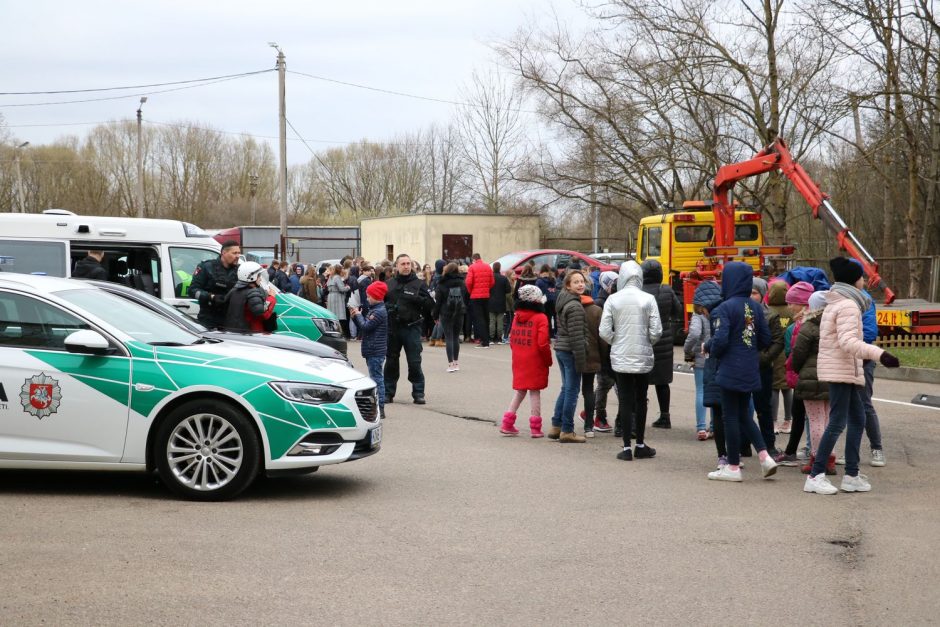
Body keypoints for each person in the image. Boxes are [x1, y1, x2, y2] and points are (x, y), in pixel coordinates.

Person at [804, 257, 900, 495]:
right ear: (853, 280)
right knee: (838, 422)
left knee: (857, 419)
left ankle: (852, 475)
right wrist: (880, 354)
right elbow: (848, 342)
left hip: (845, 370)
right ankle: (816, 475)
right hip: (842, 371)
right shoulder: (847, 305)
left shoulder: (836, 301)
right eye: (861, 276)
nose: (864, 280)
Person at [705, 261, 778, 482]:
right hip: (750, 367)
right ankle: (765, 456)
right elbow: (766, 338)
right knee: (745, 415)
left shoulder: (725, 307)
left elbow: (720, 340)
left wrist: (708, 348)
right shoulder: (755, 307)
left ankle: (733, 466)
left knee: (730, 417)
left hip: (730, 368)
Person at [599, 260, 662, 460]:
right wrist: (647, 341)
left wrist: (616, 341)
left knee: (625, 400)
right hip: (643, 356)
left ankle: (626, 447)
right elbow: (657, 331)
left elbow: (604, 331)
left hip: (620, 355)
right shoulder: (648, 299)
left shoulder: (613, 300)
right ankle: (640, 444)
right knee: (641, 399)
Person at [790, 288, 836, 475]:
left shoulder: (809, 326)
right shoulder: (835, 324)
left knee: (816, 420)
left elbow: (798, 353)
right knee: (829, 420)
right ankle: (831, 458)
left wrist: (796, 368)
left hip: (812, 376)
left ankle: (817, 459)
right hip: (833, 376)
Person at [500, 284, 552, 437]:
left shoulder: (517, 316)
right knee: (535, 392)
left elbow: (512, 338)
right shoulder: (540, 318)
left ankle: (507, 422)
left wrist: (517, 352)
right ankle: (535, 427)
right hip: (535, 359)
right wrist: (548, 360)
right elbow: (543, 343)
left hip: (520, 358)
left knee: (520, 390)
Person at [384, 254, 434, 404]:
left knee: (414, 361)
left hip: (412, 328)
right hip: (393, 328)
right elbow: (379, 303)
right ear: (396, 267)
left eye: (408, 263)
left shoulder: (419, 284)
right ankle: (388, 392)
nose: (406, 266)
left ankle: (418, 392)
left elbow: (430, 306)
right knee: (391, 361)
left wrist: (415, 298)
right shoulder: (389, 284)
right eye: (403, 264)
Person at [547, 270, 589, 443]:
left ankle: (556, 426)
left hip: (561, 348)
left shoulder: (564, 299)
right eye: (576, 282)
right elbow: (577, 337)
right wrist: (581, 361)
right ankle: (567, 430)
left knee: (566, 389)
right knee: (572, 391)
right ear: (567, 285)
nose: (580, 284)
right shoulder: (575, 306)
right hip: (570, 350)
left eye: (582, 281)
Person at [642, 260, 682, 430]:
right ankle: (665, 416)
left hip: (644, 340)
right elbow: (677, 310)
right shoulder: (666, 290)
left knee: (641, 381)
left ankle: (639, 415)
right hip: (664, 340)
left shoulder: (639, 291)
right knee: (662, 382)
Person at [750, 277, 784, 457]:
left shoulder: (771, 315)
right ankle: (743, 444)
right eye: (748, 292)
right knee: (742, 408)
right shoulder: (742, 312)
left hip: (763, 368)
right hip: (744, 367)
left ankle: (768, 444)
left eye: (755, 293)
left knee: (763, 408)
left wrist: (763, 358)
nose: (751, 296)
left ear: (762, 295)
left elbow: (778, 342)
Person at [350, 281, 389, 420]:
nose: (367, 299)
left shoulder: (378, 312)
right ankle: (379, 406)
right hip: (373, 350)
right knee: (376, 378)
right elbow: (363, 327)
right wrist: (355, 317)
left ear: (376, 296)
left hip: (375, 351)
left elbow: (366, 327)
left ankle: (380, 407)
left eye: (369, 296)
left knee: (377, 380)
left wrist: (358, 316)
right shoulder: (376, 310)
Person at [588, 270, 619, 434]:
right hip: (604, 350)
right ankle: (598, 416)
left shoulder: (610, 299)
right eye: (614, 283)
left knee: (608, 384)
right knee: (605, 383)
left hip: (612, 349)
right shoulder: (600, 303)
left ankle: (590, 411)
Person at [684, 284, 714, 441]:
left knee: (701, 391)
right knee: (716, 391)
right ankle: (715, 426)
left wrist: (688, 350)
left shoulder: (698, 315)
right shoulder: (718, 311)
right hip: (716, 357)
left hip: (701, 357)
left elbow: (694, 333)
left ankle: (701, 428)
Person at [189, 240, 241, 329]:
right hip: (209, 321)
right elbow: (192, 291)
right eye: (234, 253)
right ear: (224, 253)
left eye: (239, 253)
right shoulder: (206, 267)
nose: (238, 256)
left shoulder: (240, 270)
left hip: (230, 321)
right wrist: (211, 297)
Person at [767, 279, 795, 434]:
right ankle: (788, 420)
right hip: (788, 352)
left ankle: (773, 422)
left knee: (774, 388)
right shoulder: (791, 310)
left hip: (773, 353)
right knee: (787, 388)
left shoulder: (768, 311)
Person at [432, 262, 468, 373]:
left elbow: (438, 302)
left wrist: (435, 315)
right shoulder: (462, 283)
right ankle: (456, 363)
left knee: (449, 338)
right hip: (459, 312)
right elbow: (466, 297)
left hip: (446, 312)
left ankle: (450, 364)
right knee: (456, 337)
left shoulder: (441, 284)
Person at [579, 274, 603, 438]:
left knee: (570, 389)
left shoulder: (570, 307)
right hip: (592, 354)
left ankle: (562, 423)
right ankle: (589, 425)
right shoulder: (596, 311)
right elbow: (603, 337)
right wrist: (603, 355)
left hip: (573, 354)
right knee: (588, 389)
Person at [223, 261, 277, 332]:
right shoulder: (253, 292)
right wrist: (271, 298)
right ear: (252, 277)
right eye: (259, 276)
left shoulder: (234, 290)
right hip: (251, 333)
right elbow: (263, 313)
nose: (260, 279)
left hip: (235, 330)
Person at [465, 253, 495, 347]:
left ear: (473, 259)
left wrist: (471, 292)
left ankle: (484, 341)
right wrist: (486, 289)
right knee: (486, 318)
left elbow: (468, 282)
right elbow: (492, 282)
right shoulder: (488, 267)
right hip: (486, 295)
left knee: (479, 319)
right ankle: (487, 339)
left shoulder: (472, 267)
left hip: (475, 297)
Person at [488, 262, 511, 344]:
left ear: (493, 268)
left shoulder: (490, 278)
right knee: (500, 321)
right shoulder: (504, 278)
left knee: (492, 321)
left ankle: (491, 338)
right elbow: (508, 290)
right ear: (500, 268)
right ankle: (499, 338)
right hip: (501, 302)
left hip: (491, 302)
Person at [325, 264, 350, 338]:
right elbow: (342, 289)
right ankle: (341, 333)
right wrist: (348, 287)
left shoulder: (330, 277)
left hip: (330, 296)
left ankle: (333, 332)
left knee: (332, 315)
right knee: (339, 316)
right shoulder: (337, 277)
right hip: (337, 297)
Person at [536, 264, 558, 337]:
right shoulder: (552, 279)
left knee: (546, 318)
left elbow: (537, 291)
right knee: (555, 317)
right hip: (553, 299)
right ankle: (555, 333)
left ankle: (548, 334)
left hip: (544, 301)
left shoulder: (539, 281)